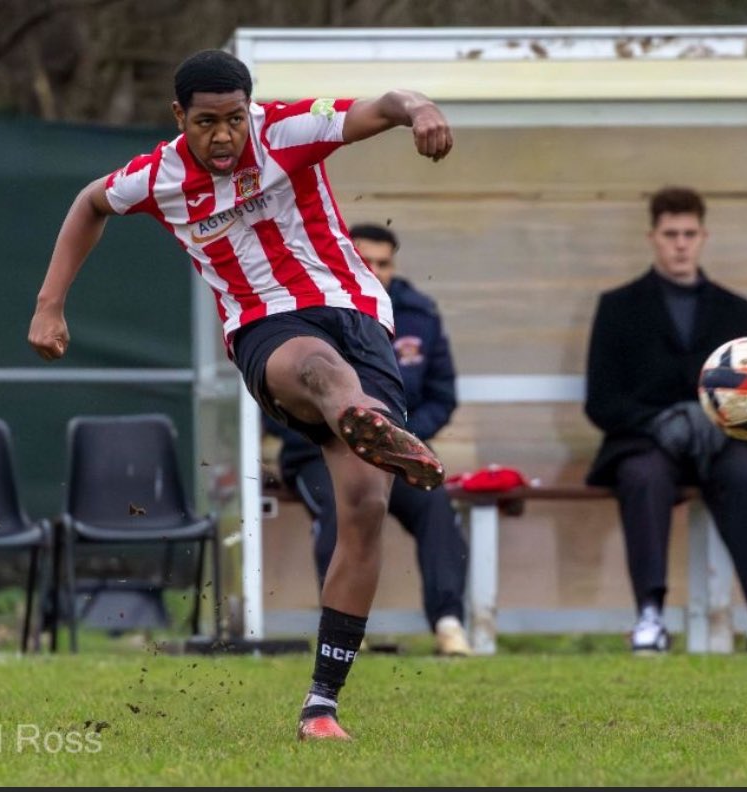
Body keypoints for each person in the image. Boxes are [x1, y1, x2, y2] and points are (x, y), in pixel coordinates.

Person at [27, 48, 454, 741]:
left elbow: (383, 104)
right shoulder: (157, 174)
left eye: (233, 119)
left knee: (367, 504)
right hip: (263, 325)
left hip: (357, 312)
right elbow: (89, 203)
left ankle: (321, 705)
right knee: (317, 368)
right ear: (178, 118)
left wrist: (421, 110)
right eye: (205, 123)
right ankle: (358, 415)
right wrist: (50, 305)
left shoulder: (288, 129)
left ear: (250, 111)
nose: (223, 136)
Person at [583, 185, 747, 655]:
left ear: (704, 236)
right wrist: (659, 422)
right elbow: (600, 401)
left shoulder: (735, 308)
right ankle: (650, 616)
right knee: (642, 476)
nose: (680, 243)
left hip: (719, 442)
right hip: (647, 443)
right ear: (652, 237)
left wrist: (715, 421)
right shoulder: (617, 306)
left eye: (689, 233)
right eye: (670, 234)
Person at [268, 222, 472, 657]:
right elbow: (270, 401)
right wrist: (328, 428)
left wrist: (394, 433)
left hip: (398, 450)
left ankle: (450, 624)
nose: (376, 271)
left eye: (384, 263)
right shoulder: (301, 308)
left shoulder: (419, 315)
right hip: (316, 451)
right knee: (345, 506)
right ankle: (341, 641)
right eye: (366, 261)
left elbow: (443, 395)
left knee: (437, 505)